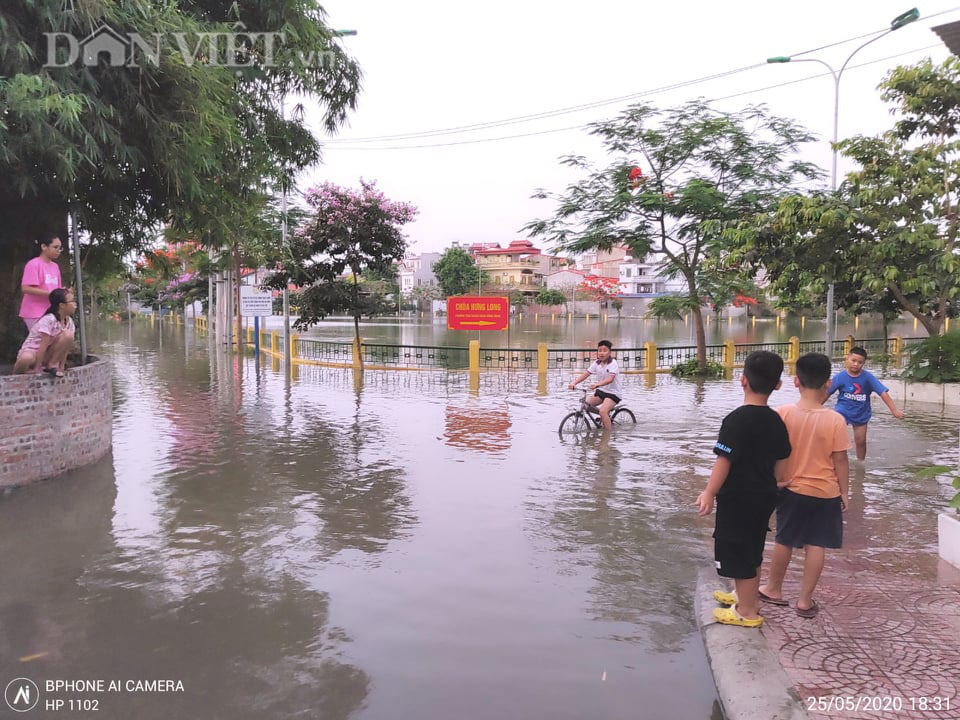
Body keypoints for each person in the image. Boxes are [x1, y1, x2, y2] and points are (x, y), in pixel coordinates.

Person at [695, 351, 791, 628]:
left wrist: (709, 492)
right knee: (753, 547)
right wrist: (776, 482)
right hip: (764, 496)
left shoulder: (736, 420)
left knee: (737, 551)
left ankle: (747, 612)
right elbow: (782, 462)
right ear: (777, 385)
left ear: (742, 380)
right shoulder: (776, 421)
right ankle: (744, 596)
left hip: (738, 497)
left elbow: (723, 461)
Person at [760, 353, 851, 619]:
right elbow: (841, 460)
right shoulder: (835, 420)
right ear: (829, 382)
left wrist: (774, 482)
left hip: (792, 489)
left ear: (796, 381)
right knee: (816, 545)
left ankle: (773, 589)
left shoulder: (784, 414)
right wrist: (844, 492)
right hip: (826, 492)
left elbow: (774, 454)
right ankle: (805, 600)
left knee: (784, 540)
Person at [827, 346, 904, 461]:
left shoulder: (868, 378)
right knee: (836, 438)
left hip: (861, 413)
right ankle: (834, 460)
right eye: (853, 361)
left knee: (861, 441)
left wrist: (894, 410)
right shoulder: (840, 377)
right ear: (847, 359)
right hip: (842, 412)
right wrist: (814, 406)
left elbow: (883, 393)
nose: (856, 364)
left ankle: (860, 463)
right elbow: (827, 392)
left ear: (863, 364)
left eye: (860, 362)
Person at [14, 288, 76, 378]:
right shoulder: (49, 320)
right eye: (72, 301)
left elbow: (65, 348)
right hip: (33, 353)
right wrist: (37, 369)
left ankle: (52, 365)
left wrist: (61, 367)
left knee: (68, 335)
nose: (75, 304)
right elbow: (42, 346)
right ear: (62, 305)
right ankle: (16, 375)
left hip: (47, 354)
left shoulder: (69, 322)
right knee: (25, 359)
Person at [568, 340, 623, 430]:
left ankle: (607, 436)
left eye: (604, 350)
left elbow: (610, 379)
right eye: (600, 350)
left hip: (613, 393)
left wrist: (597, 384)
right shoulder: (596, 363)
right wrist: (574, 383)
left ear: (610, 352)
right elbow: (586, 374)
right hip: (601, 391)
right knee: (586, 406)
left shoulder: (613, 363)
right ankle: (606, 416)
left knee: (602, 411)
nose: (601, 353)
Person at [19, 232, 64, 331]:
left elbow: (58, 289)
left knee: (61, 339)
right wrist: (51, 294)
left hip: (52, 311)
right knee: (40, 343)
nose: (58, 251)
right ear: (44, 246)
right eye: (55, 247)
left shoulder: (55, 267)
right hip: (35, 312)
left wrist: (64, 293)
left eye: (60, 248)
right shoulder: (33, 264)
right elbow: (26, 288)